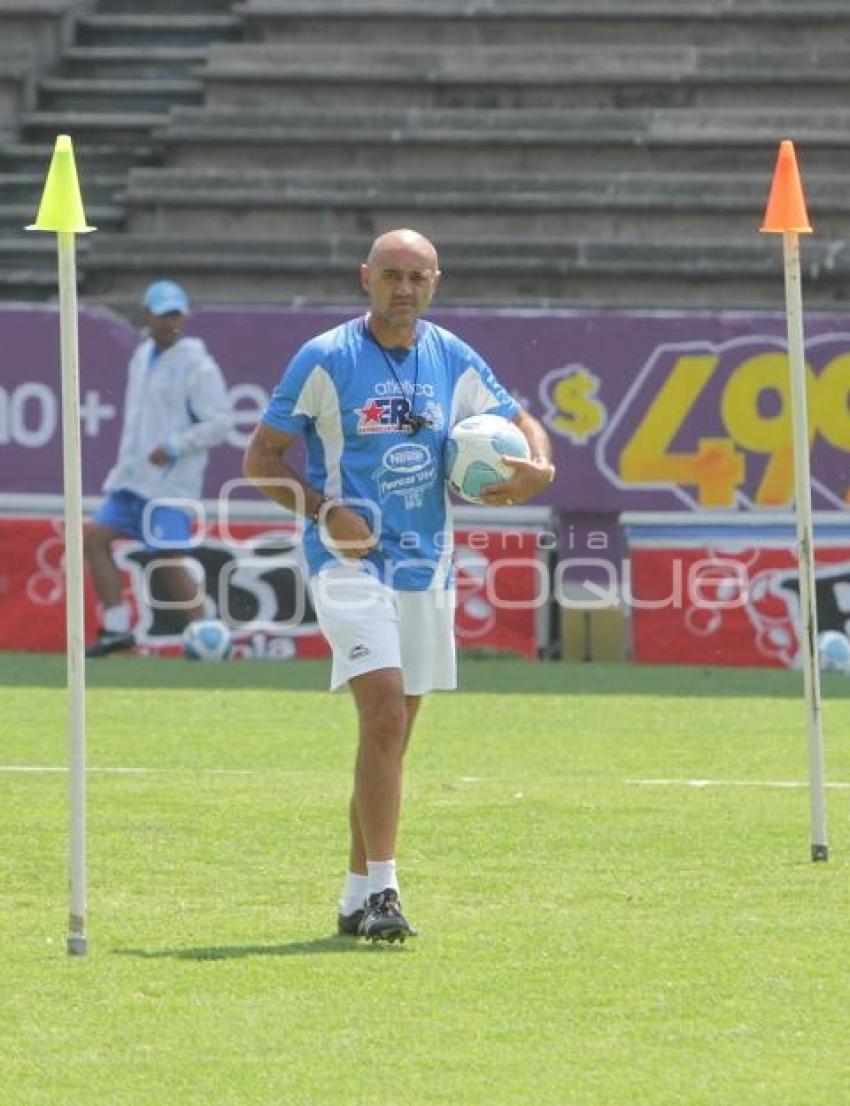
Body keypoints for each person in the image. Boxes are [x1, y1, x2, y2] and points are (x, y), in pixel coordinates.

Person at [243, 229, 555, 942]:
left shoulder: (453, 357)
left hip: (427, 565)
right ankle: (386, 892)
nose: (403, 288)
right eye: (390, 274)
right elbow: (261, 457)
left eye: (417, 276)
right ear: (365, 278)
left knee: (390, 736)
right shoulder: (325, 358)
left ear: (436, 282)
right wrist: (325, 509)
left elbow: (518, 419)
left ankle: (355, 896)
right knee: (383, 714)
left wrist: (538, 463)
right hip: (347, 565)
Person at [84, 280, 232, 657]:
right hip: (131, 478)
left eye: (176, 314)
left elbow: (219, 424)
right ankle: (117, 629)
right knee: (94, 538)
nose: (170, 322)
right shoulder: (141, 355)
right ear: (146, 315)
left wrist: (174, 446)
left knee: (166, 556)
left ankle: (209, 635)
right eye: (163, 314)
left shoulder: (197, 364)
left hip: (170, 485)